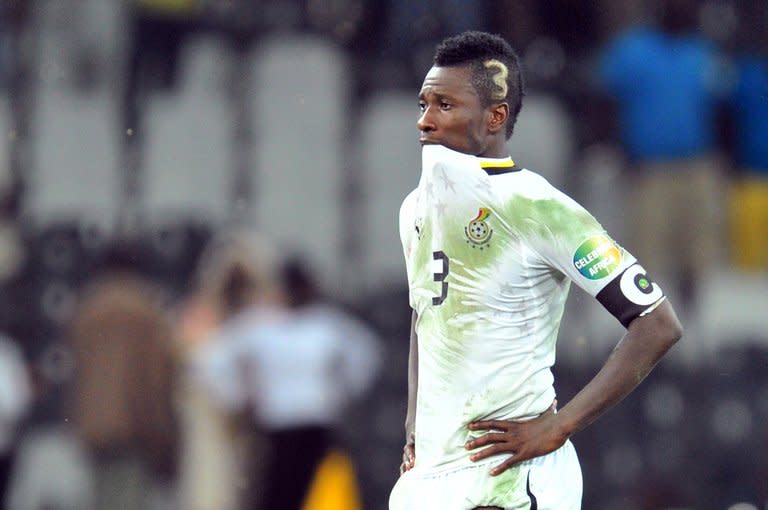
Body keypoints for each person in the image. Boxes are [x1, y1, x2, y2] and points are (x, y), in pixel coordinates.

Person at [389, 31, 683, 510]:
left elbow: (658, 324)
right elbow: (424, 317)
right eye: (423, 104)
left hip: (508, 477)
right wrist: (413, 431)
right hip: (434, 479)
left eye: (444, 105)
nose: (424, 121)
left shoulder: (537, 205)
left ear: (495, 116)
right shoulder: (414, 209)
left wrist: (559, 426)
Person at [68, 240, 178, 510]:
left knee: (100, 497)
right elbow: (155, 377)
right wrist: (162, 429)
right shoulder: (146, 312)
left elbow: (77, 371)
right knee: (129, 498)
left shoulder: (86, 310)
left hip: (92, 423)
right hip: (133, 424)